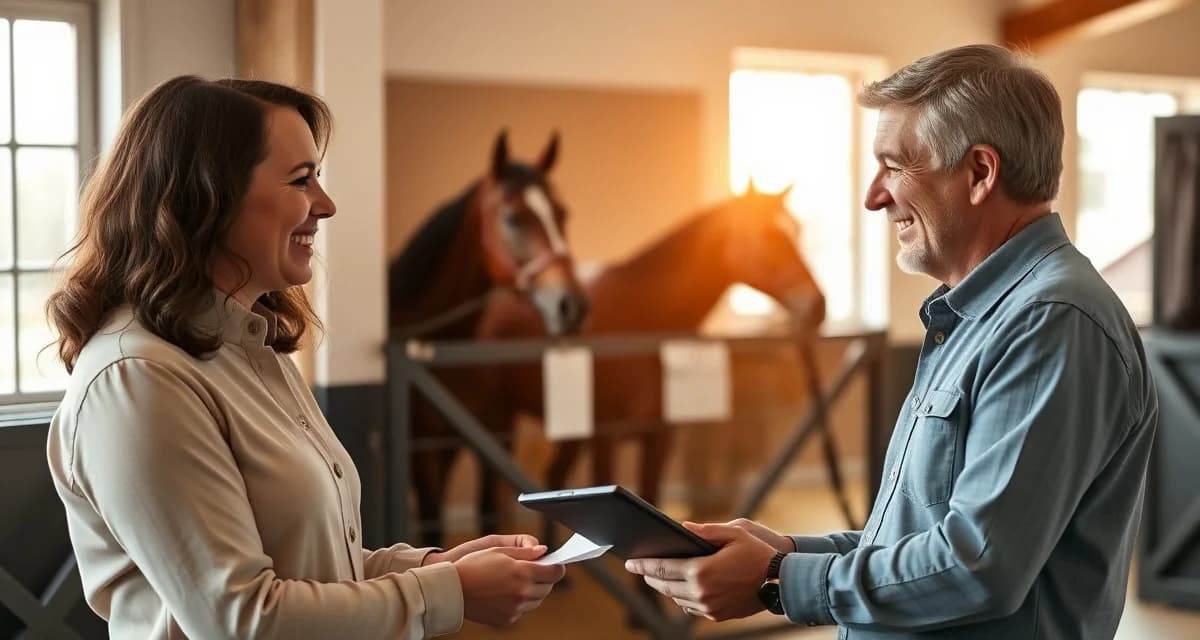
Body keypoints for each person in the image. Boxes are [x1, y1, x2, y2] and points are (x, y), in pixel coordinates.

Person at [625, 44, 1158, 639]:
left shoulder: (1052, 322)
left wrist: (777, 579)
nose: (874, 197)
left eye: (895, 165)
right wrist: (786, 548)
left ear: (980, 173)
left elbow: (976, 566)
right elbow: (919, 542)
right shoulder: (980, 317)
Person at [44, 76, 564, 639]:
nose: (327, 204)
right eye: (301, 180)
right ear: (207, 196)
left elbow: (318, 569)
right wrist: (449, 593)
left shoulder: (252, 351)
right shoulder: (137, 380)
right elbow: (241, 622)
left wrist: (438, 568)